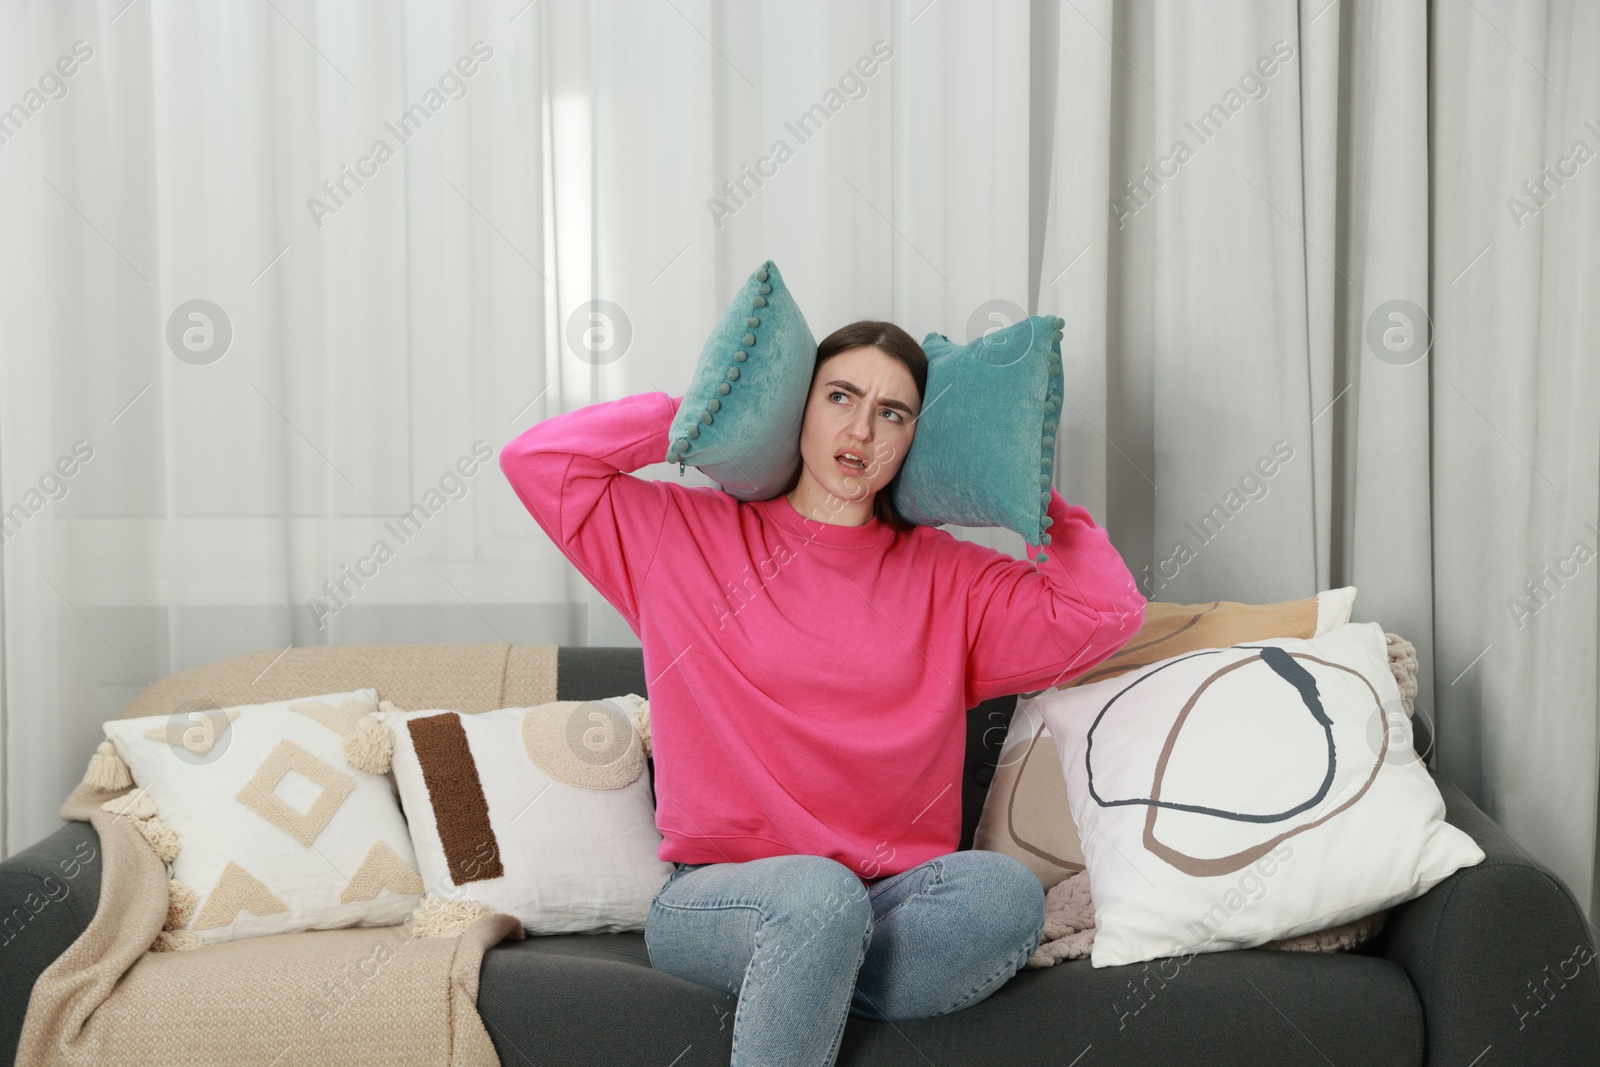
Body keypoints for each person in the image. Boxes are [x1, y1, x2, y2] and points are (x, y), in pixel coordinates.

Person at [499, 319, 1146, 1066]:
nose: (862, 428)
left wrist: (1024, 484)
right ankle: (806, 957)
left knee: (1004, 894)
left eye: (894, 413)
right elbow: (539, 460)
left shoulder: (953, 580)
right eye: (840, 396)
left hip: (893, 899)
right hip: (717, 898)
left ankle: (804, 976)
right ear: (797, 411)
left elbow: (1105, 614)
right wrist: (710, 409)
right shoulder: (677, 537)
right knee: (815, 897)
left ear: (912, 440)